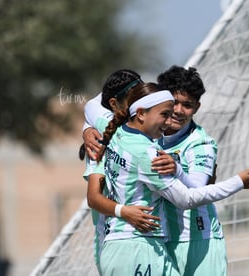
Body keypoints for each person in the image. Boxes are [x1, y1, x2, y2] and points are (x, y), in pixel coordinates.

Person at [95, 82, 249, 276]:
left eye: (186, 105)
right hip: (137, 248)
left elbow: (93, 108)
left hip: (123, 246)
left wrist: (86, 129)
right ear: (141, 113)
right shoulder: (147, 153)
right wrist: (239, 182)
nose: (170, 121)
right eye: (165, 114)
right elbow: (187, 199)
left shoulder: (116, 134)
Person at [81, 69, 164, 273]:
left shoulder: (150, 134)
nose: (138, 109)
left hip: (154, 240)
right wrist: (124, 211)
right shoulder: (103, 142)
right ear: (113, 105)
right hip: (114, 240)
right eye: (132, 103)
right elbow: (94, 197)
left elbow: (92, 106)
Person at [153, 65, 228, 275]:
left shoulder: (201, 144)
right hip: (161, 242)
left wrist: (176, 169)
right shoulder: (147, 136)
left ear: (197, 107)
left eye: (187, 105)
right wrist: (88, 130)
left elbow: (195, 191)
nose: (178, 110)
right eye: (174, 102)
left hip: (198, 242)